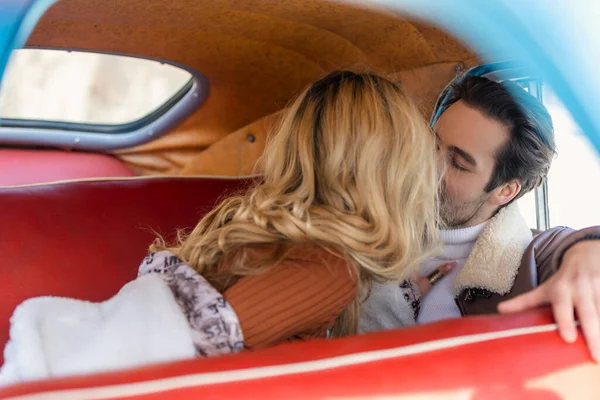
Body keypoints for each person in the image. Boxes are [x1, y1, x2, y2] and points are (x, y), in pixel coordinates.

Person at [360, 75, 600, 361]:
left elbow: (578, 245)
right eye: (432, 142)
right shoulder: (366, 225)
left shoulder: (532, 259)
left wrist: (589, 250)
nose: (428, 165)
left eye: (458, 164)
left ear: (504, 191)